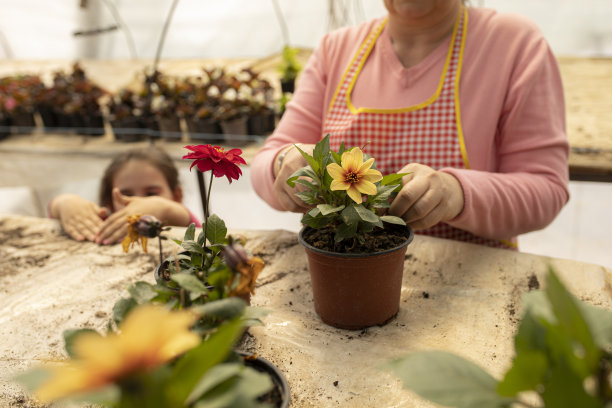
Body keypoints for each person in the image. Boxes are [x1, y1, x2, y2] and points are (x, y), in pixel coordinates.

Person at [250, 0, 570, 249]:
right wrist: (284, 164)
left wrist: (454, 193)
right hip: (348, 274)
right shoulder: (336, 50)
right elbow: (266, 161)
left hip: (470, 288)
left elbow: (546, 189)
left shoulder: (514, 44)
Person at [49, 145, 200, 245]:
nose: (139, 202)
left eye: (151, 193)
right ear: (109, 202)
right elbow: (58, 215)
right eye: (125, 195)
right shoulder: (105, 228)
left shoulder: (177, 222)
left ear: (177, 196)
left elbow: (194, 227)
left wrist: (163, 208)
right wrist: (66, 202)